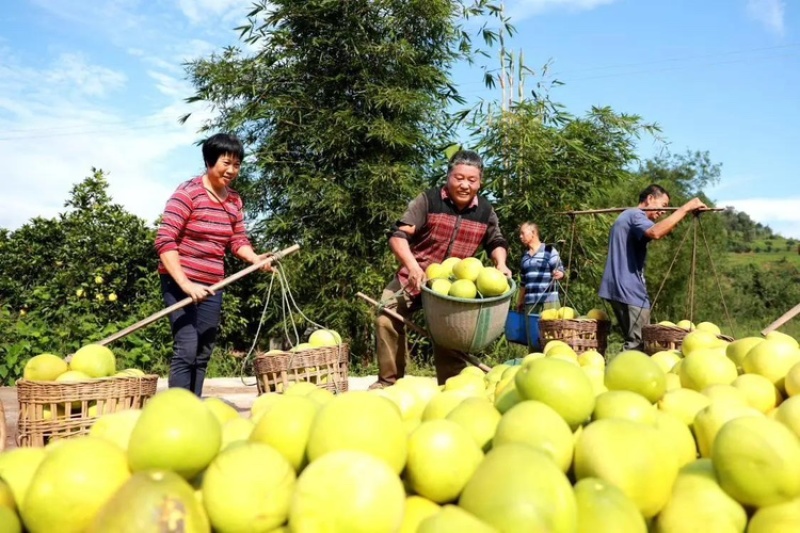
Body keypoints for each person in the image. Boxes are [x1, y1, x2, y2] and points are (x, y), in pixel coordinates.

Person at [371, 150, 512, 389]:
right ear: (448, 176)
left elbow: (496, 241)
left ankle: (451, 388)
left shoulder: (485, 211)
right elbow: (398, 236)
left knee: (452, 335)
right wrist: (413, 267)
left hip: (456, 286)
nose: (465, 184)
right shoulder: (428, 200)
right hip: (415, 276)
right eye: (459, 178)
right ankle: (388, 382)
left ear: (480, 182)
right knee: (386, 317)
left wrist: (501, 263)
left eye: (471, 180)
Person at [154, 133, 272, 396]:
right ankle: (178, 407)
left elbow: (237, 239)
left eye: (237, 165)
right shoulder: (188, 194)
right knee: (187, 345)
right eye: (226, 163)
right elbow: (165, 240)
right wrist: (185, 283)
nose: (231, 170)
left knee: (204, 347)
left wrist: (255, 259)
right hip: (179, 282)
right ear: (209, 161)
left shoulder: (234, 201)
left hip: (213, 285)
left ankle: (193, 405)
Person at [598, 184, 707, 351]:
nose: (663, 211)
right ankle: (619, 375)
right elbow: (656, 232)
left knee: (636, 341)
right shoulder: (636, 215)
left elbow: (663, 230)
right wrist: (686, 208)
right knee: (639, 344)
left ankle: (619, 373)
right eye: (663, 206)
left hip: (618, 287)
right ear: (650, 199)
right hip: (629, 289)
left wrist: (685, 215)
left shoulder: (627, 216)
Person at [516, 222, 565, 315]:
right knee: (531, 329)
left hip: (549, 302)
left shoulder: (549, 251)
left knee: (551, 329)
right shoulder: (525, 258)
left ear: (533, 233)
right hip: (530, 304)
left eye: (523, 233)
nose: (520, 236)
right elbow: (523, 284)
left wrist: (560, 274)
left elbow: (561, 271)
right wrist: (520, 301)